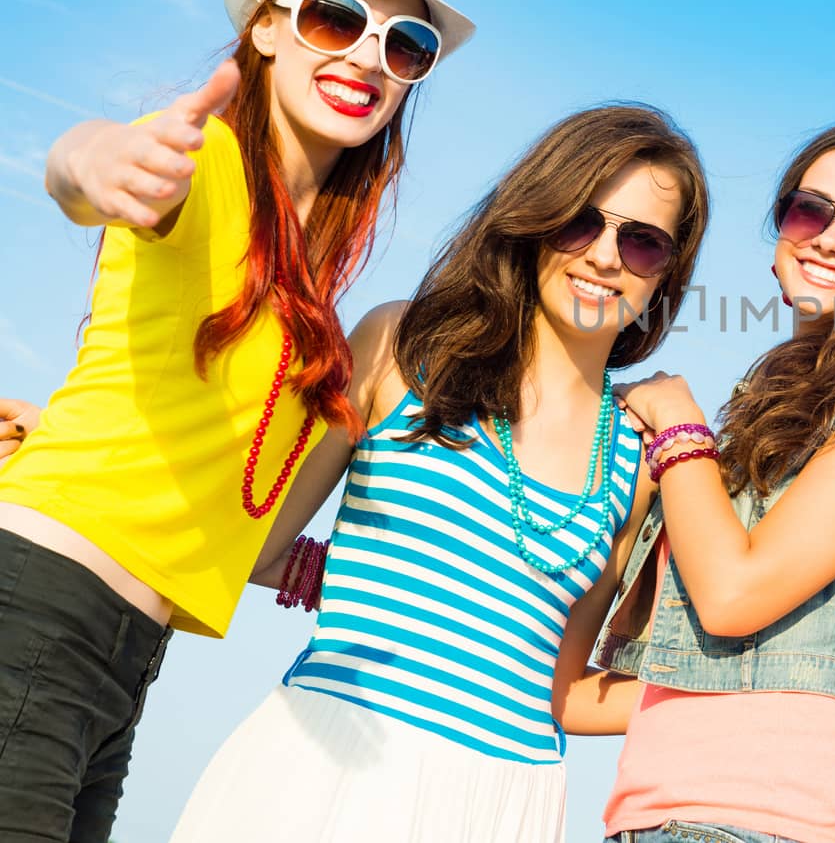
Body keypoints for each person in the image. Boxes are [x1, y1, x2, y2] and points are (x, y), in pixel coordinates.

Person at [0, 0, 473, 842]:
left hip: (125, 654)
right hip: (41, 609)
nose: (367, 58)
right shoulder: (202, 160)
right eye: (336, 18)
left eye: (404, 44)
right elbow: (84, 165)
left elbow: (222, 475)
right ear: (265, 26)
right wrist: (97, 161)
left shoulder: (310, 275)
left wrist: (313, 559)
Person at [167, 105, 709, 842]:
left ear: (666, 273)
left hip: (501, 801)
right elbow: (254, 538)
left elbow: (565, 686)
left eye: (642, 241)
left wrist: (748, 702)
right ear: (536, 217)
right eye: (580, 220)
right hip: (323, 760)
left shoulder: (638, 463)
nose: (605, 256)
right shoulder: (401, 346)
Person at [562, 117, 835, 843]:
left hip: (748, 824)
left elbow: (732, 598)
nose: (831, 240)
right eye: (810, 210)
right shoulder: (769, 419)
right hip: (657, 819)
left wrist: (681, 429)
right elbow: (582, 697)